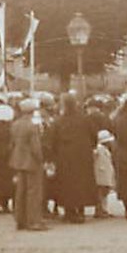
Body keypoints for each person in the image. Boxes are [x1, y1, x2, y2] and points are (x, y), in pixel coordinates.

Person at [51, 94, 97, 224]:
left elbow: (52, 139)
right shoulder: (85, 119)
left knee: (67, 184)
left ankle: (69, 211)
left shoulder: (59, 121)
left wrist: (54, 154)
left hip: (64, 156)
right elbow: (94, 135)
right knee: (82, 182)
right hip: (83, 154)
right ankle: (80, 210)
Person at [9, 100, 47, 231]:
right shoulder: (32, 126)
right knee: (34, 192)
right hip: (31, 162)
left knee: (21, 191)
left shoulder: (15, 124)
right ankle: (34, 221)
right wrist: (41, 159)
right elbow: (35, 147)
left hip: (18, 161)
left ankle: (20, 219)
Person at [93, 130, 116, 217]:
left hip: (105, 173)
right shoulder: (98, 148)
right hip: (100, 173)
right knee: (101, 193)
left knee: (104, 192)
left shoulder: (105, 149)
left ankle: (104, 209)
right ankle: (100, 209)